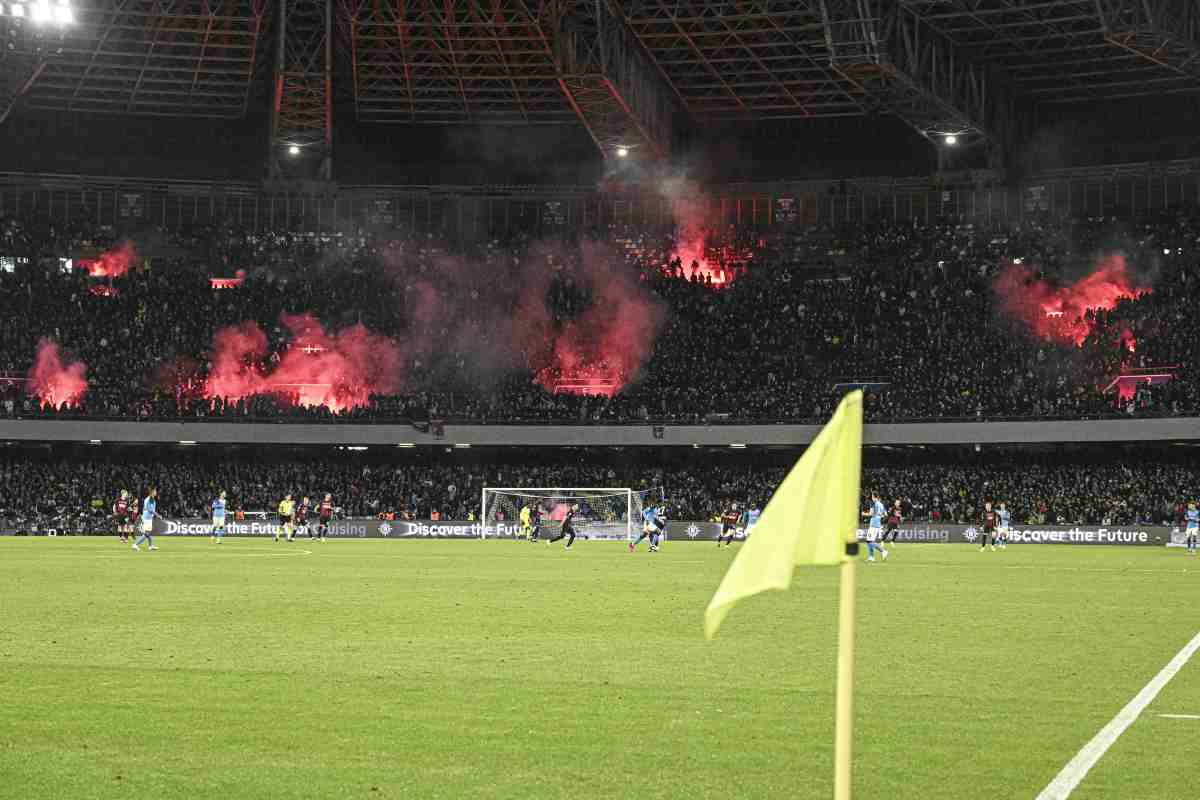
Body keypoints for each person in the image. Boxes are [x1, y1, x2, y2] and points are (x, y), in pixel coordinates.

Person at [861, 493, 888, 562]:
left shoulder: (874, 503)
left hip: (873, 524)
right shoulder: (881, 504)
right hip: (878, 524)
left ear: (873, 497)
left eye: (872, 496)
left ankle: (883, 551)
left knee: (869, 541)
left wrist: (864, 514)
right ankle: (871, 557)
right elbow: (885, 514)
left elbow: (871, 514)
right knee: (870, 540)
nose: (871, 498)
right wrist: (879, 516)